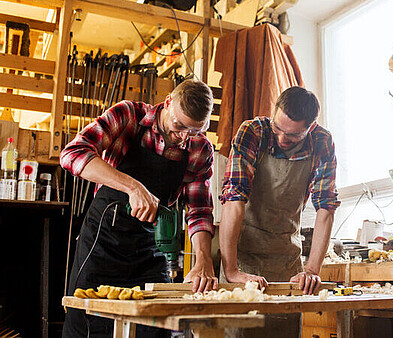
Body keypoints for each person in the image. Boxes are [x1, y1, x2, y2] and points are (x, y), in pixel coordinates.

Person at [61, 79, 218, 337]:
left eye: (193, 130)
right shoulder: (129, 116)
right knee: (87, 325)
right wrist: (133, 187)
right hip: (102, 245)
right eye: (179, 125)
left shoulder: (200, 148)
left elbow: (199, 209)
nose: (183, 137)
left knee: (157, 327)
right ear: (168, 103)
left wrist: (203, 259)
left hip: (149, 250)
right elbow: (72, 154)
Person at [219, 86, 340, 336]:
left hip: (286, 259)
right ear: (273, 113)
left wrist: (311, 271)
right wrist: (231, 271)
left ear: (311, 127)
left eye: (294, 135)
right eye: (278, 128)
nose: (283, 139)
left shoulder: (322, 142)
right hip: (244, 257)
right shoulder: (253, 132)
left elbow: (325, 207)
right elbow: (233, 198)